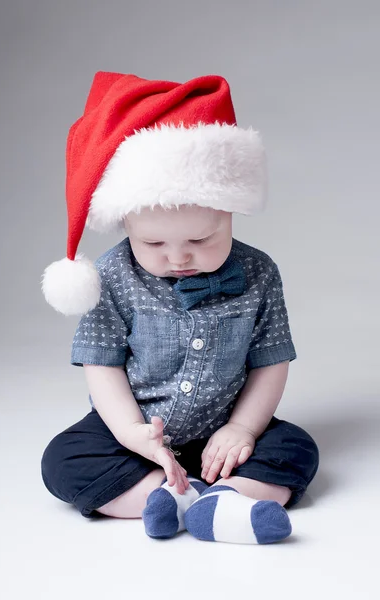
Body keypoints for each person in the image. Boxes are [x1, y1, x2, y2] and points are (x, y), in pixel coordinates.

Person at [40, 71, 319, 545]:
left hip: (224, 427)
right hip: (137, 428)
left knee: (297, 449)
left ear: (230, 213)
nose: (178, 257)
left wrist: (241, 429)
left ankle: (224, 495)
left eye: (201, 239)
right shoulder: (112, 276)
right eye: (153, 241)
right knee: (63, 460)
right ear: (125, 223)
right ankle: (169, 495)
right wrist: (131, 432)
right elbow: (101, 364)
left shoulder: (259, 273)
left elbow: (270, 362)